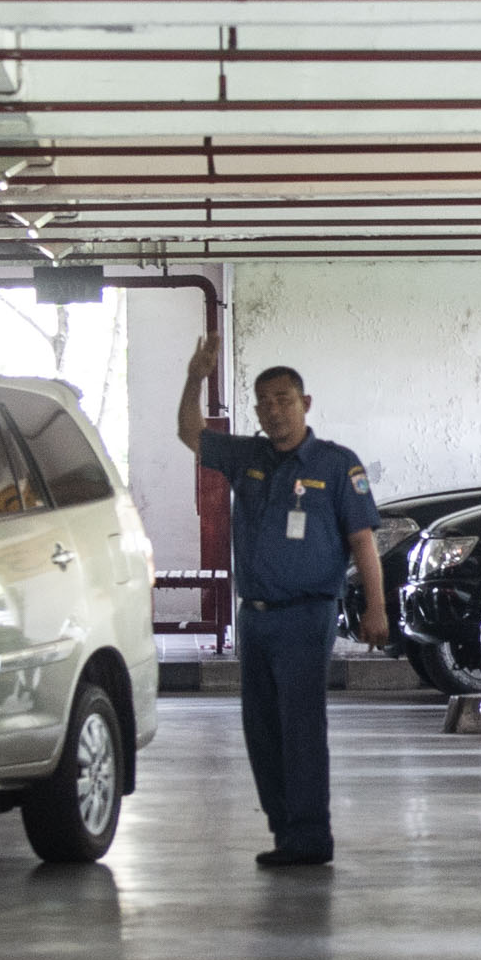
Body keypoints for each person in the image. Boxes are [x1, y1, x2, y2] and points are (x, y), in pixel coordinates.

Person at [178, 339, 387, 869]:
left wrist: (376, 609)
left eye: (284, 399)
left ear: (305, 403)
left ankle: (311, 836)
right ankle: (285, 832)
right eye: (264, 401)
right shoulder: (248, 456)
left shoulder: (337, 466)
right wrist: (195, 377)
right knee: (262, 729)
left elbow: (363, 542)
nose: (274, 410)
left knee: (300, 727)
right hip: (257, 617)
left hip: (307, 613)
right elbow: (190, 434)